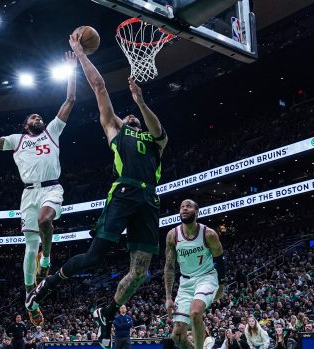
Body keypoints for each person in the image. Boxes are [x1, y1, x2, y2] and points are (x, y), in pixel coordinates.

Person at [25, 31, 168, 349]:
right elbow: (100, 88)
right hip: (124, 193)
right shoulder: (116, 133)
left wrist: (140, 101)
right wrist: (79, 55)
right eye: (126, 116)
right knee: (93, 258)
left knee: (140, 272)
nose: (130, 117)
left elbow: (158, 129)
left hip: (149, 199)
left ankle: (108, 312)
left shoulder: (156, 140)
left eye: (135, 117)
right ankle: (49, 283)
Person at [0, 51, 77, 326]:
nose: (37, 117)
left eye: (38, 116)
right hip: (28, 193)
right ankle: (29, 297)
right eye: (32, 117)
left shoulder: (52, 132)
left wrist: (71, 69)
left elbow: (69, 100)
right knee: (29, 247)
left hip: (51, 188)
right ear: (26, 125)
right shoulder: (16, 140)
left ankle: (47, 259)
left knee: (46, 220)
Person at [164, 200, 225, 349]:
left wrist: (222, 284)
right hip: (185, 283)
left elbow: (219, 259)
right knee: (177, 336)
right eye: (182, 207)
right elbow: (169, 267)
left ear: (197, 212)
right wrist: (168, 297)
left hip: (206, 276)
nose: (184, 209)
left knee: (196, 312)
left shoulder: (209, 234)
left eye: (188, 206)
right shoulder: (173, 235)